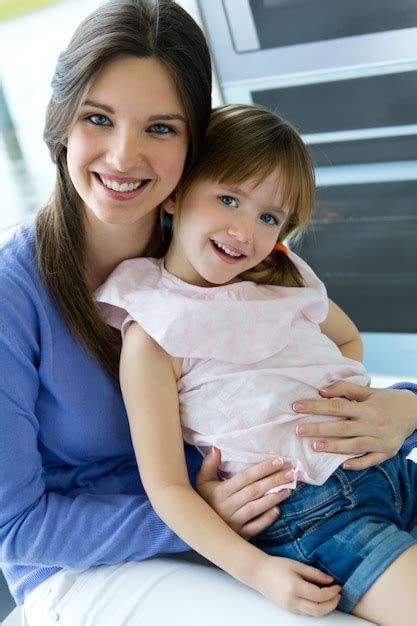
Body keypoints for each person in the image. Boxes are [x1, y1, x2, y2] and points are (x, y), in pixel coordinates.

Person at [0, 0, 415, 625]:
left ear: (198, 143)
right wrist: (203, 513)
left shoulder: (225, 253)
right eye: (98, 118)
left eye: (161, 128)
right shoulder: (16, 296)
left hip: (273, 507)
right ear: (60, 122)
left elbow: (311, 364)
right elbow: (17, 527)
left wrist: (405, 407)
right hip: (92, 565)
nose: (122, 157)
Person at [96, 103, 417, 625]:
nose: (245, 231)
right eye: (228, 198)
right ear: (175, 193)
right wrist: (258, 572)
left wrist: (344, 394)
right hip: (313, 514)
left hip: (389, 470)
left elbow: (348, 338)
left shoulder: (282, 278)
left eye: (269, 217)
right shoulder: (154, 330)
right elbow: (167, 489)